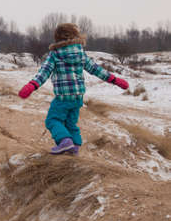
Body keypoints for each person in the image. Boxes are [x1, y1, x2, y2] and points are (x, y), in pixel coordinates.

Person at [18, 23, 129, 155]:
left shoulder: (55, 54)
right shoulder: (80, 53)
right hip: (78, 97)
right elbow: (95, 69)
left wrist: (32, 85)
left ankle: (65, 141)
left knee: (53, 120)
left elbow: (44, 72)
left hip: (63, 97)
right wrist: (115, 80)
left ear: (57, 38)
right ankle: (74, 146)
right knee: (71, 123)